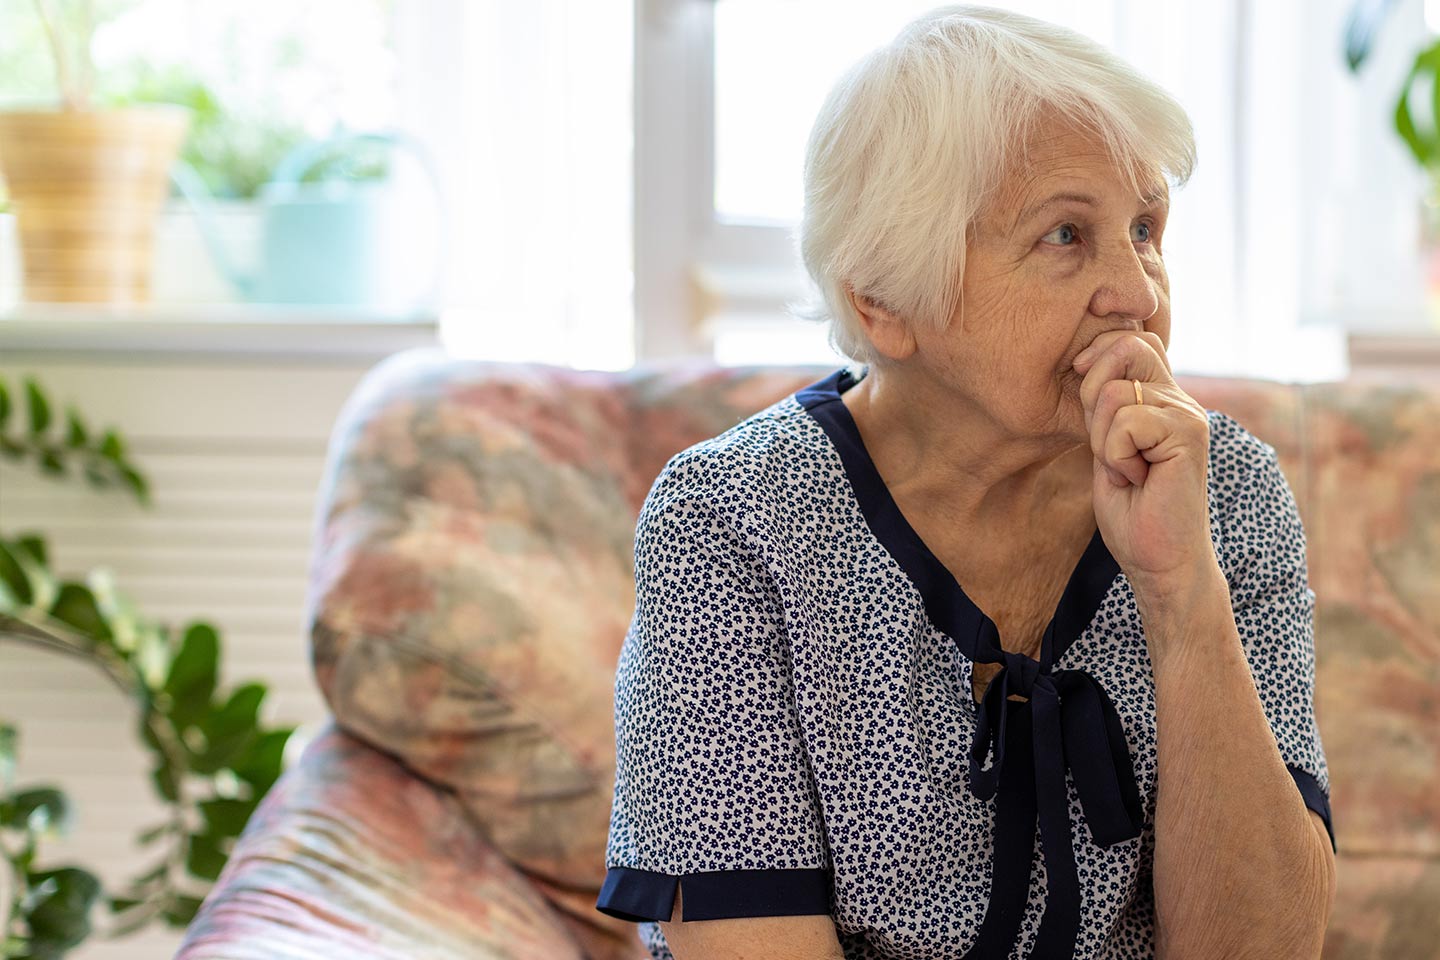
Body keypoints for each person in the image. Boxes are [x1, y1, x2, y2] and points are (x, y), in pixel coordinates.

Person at [594, 6, 1337, 958]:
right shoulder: (736, 520)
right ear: (883, 300)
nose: (1138, 292)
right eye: (1065, 234)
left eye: (1146, 227)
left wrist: (1181, 593)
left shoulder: (1222, 489)